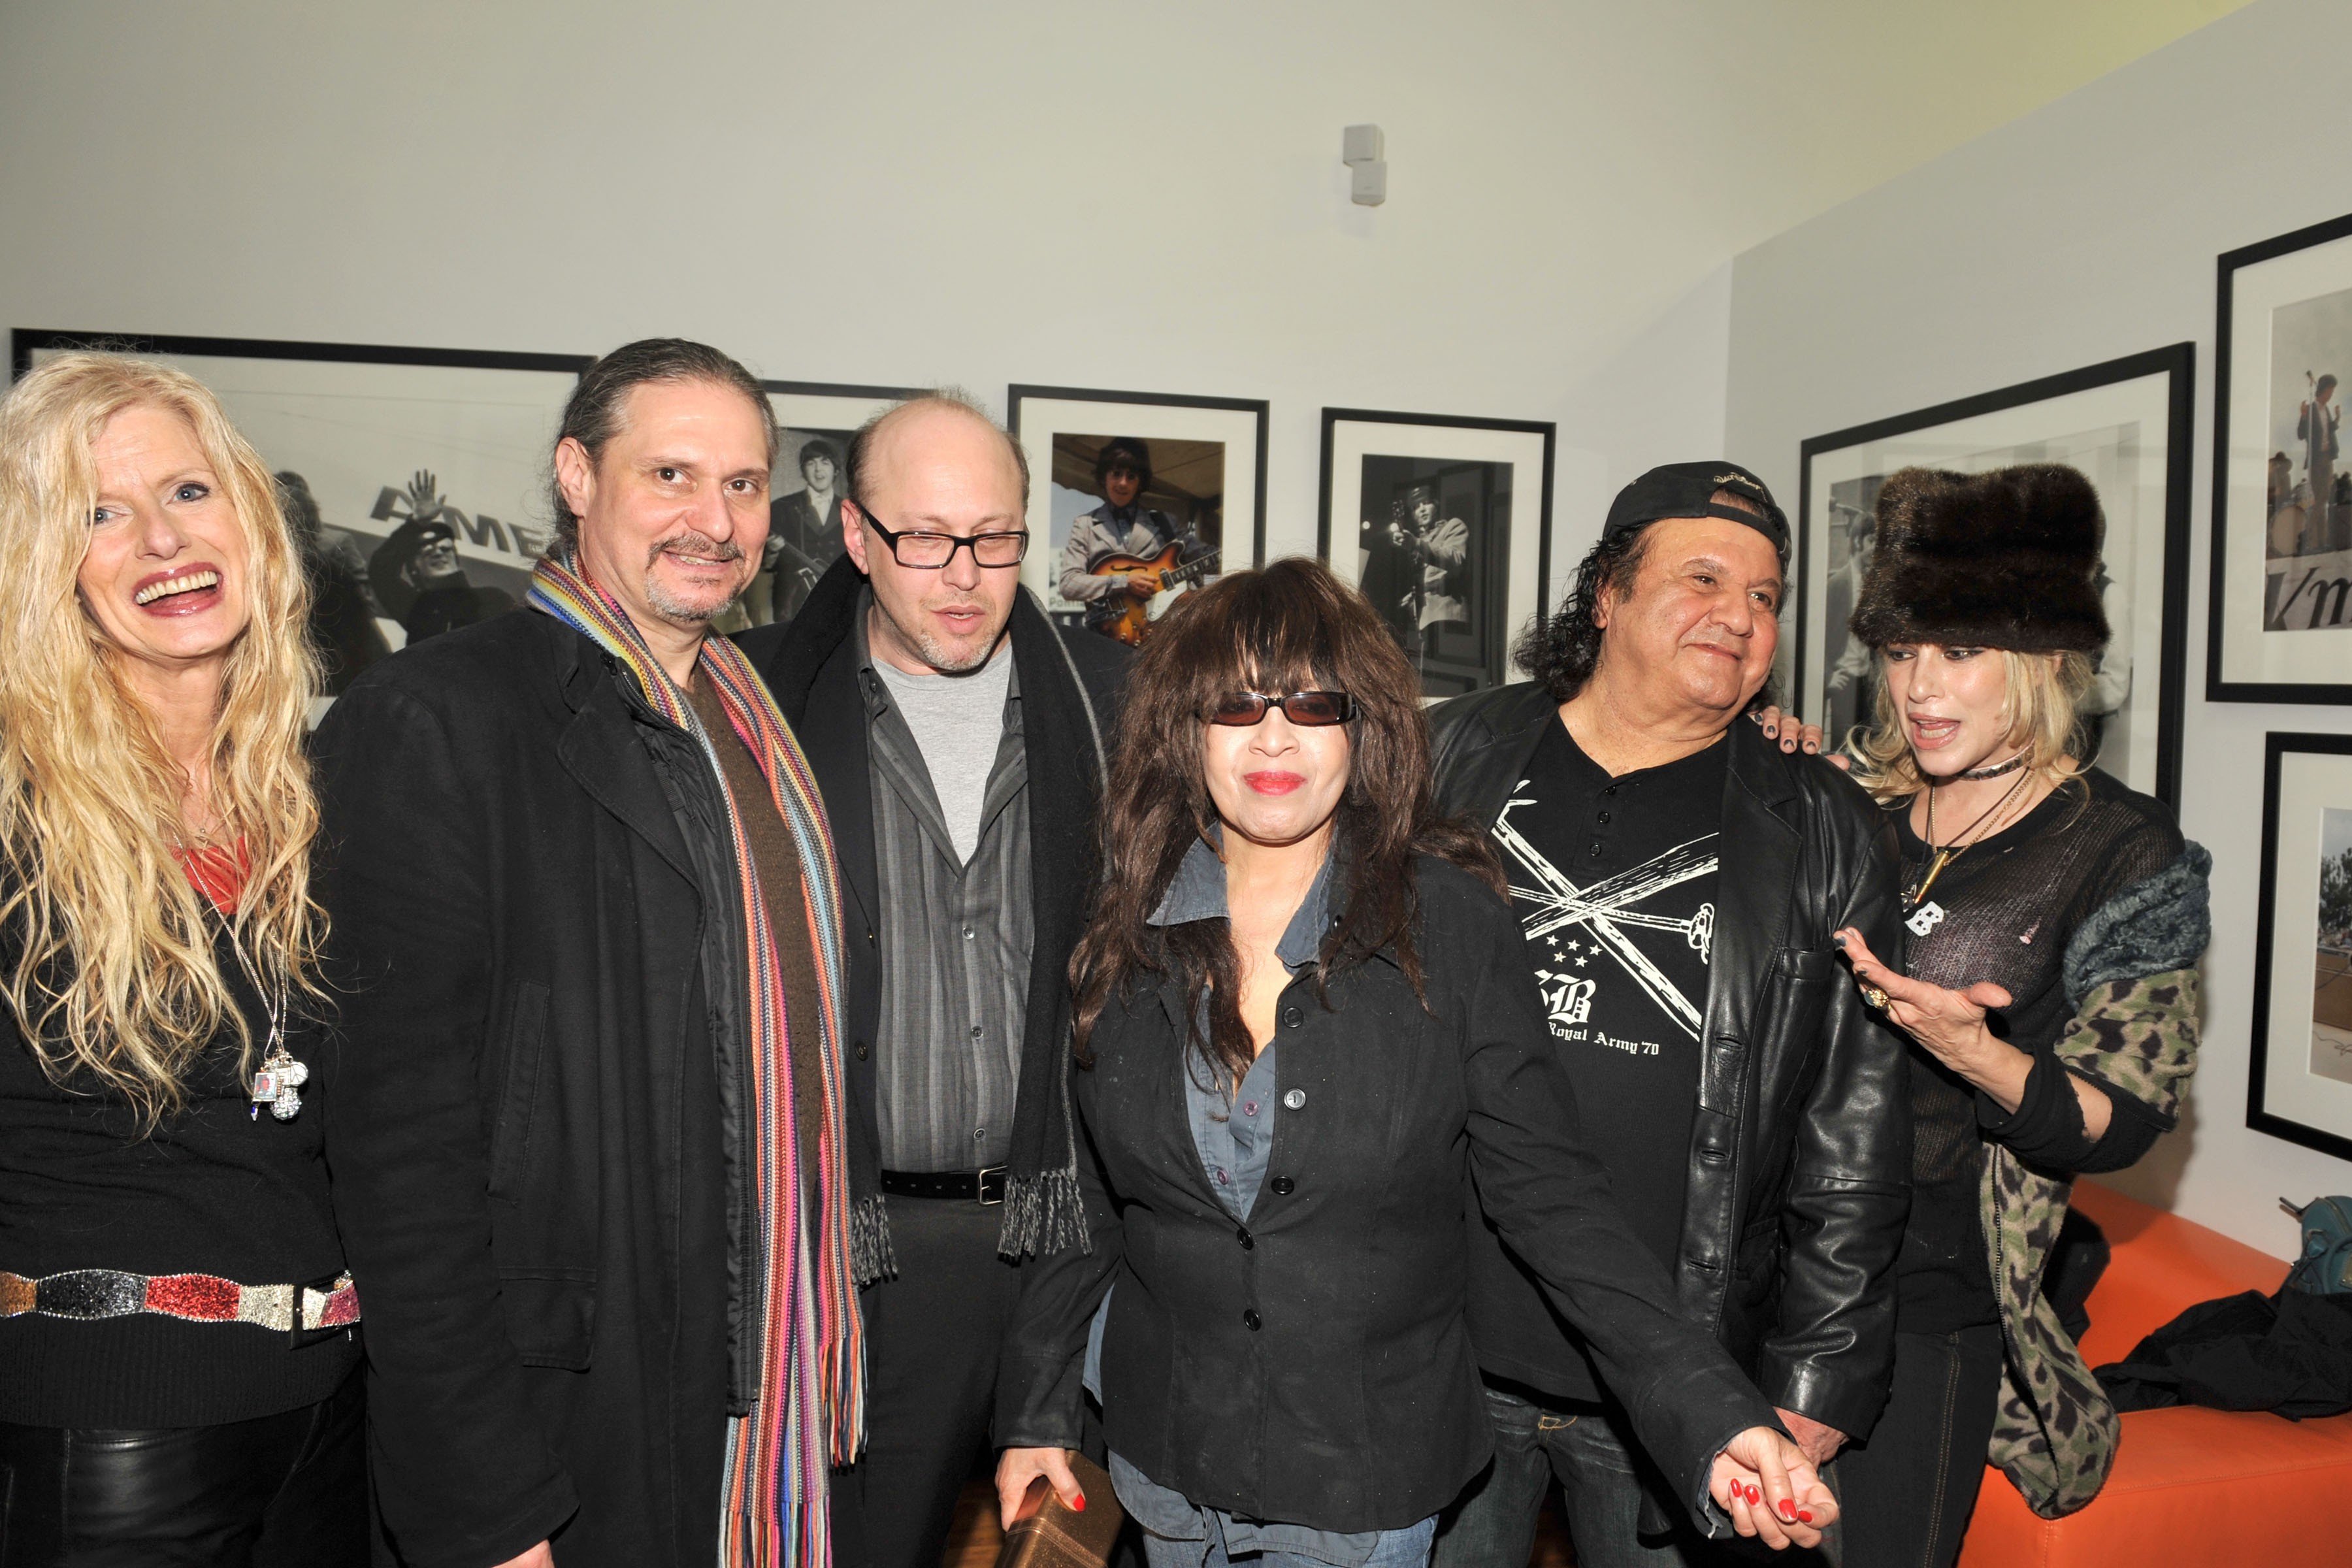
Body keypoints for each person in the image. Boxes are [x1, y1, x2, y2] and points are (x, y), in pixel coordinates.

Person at [994, 557, 1840, 1568]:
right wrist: (1034, 1412)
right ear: (1186, 730)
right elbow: (1081, 1197)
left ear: (1364, 729)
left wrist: (1716, 1415)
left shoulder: (1452, 923)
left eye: (1314, 702)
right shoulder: (1119, 929)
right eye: (1237, 703)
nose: (1275, 735)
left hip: (1364, 1477)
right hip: (1166, 1459)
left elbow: (1555, 1203)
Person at [316, 339, 874, 1568]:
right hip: (556, 1406)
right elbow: (398, 1153)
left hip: (740, 1375)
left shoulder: (755, 727)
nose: (714, 521)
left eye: (741, 484)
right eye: (670, 473)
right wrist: (486, 1502)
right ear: (576, 475)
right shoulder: (437, 718)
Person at [1425, 462, 1911, 1567]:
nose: (1741, 617)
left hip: (1679, 1381)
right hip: (1440, 1349)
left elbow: (1856, 1130)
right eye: (1704, 577)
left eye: (1767, 596)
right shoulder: (1451, 755)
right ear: (1607, 595)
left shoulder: (1823, 821)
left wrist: (1819, 1373)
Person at [738, 390, 1126, 1568]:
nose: (963, 573)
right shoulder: (756, 711)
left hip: (1077, 1239)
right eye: (924, 537)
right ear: (855, 537)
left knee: (1071, 1557)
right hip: (861, 1258)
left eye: (995, 537)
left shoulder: (1112, 709)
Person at [0, 353, 363, 1563]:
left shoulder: (312, 801)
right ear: (43, 564)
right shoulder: (17, 815)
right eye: (100, 512)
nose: (163, 539)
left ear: (251, 519)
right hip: (109, 1430)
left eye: (189, 492)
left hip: (330, 1415)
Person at [1825, 465, 2208, 1565]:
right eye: (1902, 653)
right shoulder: (1849, 802)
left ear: (2043, 663)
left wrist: (1975, 1053)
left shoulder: (2129, 850)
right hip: (1778, 1268)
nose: (1918, 689)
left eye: (1958, 652)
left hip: (1936, 1302)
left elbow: (2128, 1119)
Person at [1056, 436, 1211, 617]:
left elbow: (1204, 555)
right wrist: (1123, 582)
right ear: (1103, 477)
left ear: (1140, 482)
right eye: (1116, 474)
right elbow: (1068, 584)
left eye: (1131, 476)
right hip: (1103, 630)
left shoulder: (1166, 522)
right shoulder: (1085, 525)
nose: (1123, 483)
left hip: (1157, 628)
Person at [276, 469, 393, 693]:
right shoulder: (271, 551)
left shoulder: (336, 541)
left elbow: (360, 585)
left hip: (339, 627)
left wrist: (362, 618)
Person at [760, 436, 848, 626]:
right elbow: (766, 566)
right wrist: (773, 550)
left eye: (825, 463)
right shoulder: (781, 507)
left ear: (836, 469)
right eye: (811, 463)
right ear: (803, 471)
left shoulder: (851, 510)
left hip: (838, 600)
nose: (818, 470)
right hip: (792, 602)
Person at [2301, 373, 2340, 549]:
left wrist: (2337, 419)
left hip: (2328, 458)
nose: (2331, 395)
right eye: (2330, 391)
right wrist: (2303, 416)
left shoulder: (2327, 410)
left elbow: (2328, 430)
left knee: (2323, 500)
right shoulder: (2311, 409)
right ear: (2323, 390)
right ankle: (2311, 540)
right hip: (2317, 460)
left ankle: (2320, 541)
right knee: (2320, 500)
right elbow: (2302, 434)